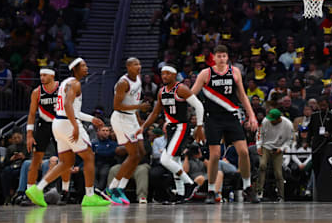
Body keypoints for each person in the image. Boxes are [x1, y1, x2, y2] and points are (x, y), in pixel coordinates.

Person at [25, 58, 112, 207]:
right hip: (67, 123)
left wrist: (91, 119)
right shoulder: (75, 83)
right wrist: (76, 126)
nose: (86, 68)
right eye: (83, 66)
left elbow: (73, 109)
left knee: (67, 162)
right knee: (89, 156)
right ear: (75, 69)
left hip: (58, 123)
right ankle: (90, 196)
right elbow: (67, 105)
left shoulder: (65, 83)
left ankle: (37, 189)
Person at [192, 45, 259, 204]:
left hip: (231, 116)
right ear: (213, 58)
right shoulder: (205, 73)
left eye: (224, 56)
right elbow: (191, 94)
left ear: (227, 57)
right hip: (213, 118)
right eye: (219, 56)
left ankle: (247, 187)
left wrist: (252, 116)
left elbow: (242, 95)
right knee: (214, 155)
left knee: (243, 152)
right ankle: (211, 190)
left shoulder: (234, 72)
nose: (221, 59)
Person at [139, 65, 204, 204]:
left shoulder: (181, 89)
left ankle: (189, 184)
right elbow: (155, 113)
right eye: (162, 74)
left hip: (181, 127)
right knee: (174, 161)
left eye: (168, 74)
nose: (164, 76)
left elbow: (199, 106)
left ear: (174, 75)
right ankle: (180, 194)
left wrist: (199, 126)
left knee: (165, 160)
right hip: (171, 128)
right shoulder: (161, 91)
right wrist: (143, 127)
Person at [23, 68, 72, 205]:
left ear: (52, 75)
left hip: (60, 125)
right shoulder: (36, 92)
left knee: (64, 160)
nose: (42, 77)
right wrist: (29, 134)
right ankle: (30, 193)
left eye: (44, 75)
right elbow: (32, 114)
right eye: (40, 75)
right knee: (35, 159)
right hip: (43, 126)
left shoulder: (63, 88)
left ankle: (65, 192)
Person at [106, 58, 151, 205]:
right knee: (132, 155)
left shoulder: (137, 79)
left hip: (132, 118)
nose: (139, 66)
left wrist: (138, 121)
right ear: (128, 67)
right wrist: (138, 109)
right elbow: (117, 106)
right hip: (121, 119)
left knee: (141, 153)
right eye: (135, 64)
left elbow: (134, 100)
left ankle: (121, 187)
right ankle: (112, 189)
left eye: (139, 63)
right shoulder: (122, 83)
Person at [256, 108, 294, 201]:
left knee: (278, 173)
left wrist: (281, 149)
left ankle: (281, 196)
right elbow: (259, 134)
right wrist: (258, 146)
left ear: (278, 119)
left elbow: (289, 140)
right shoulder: (265, 121)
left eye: (273, 120)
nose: (271, 122)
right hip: (266, 146)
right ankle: (259, 192)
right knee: (262, 165)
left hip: (278, 148)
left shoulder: (288, 124)